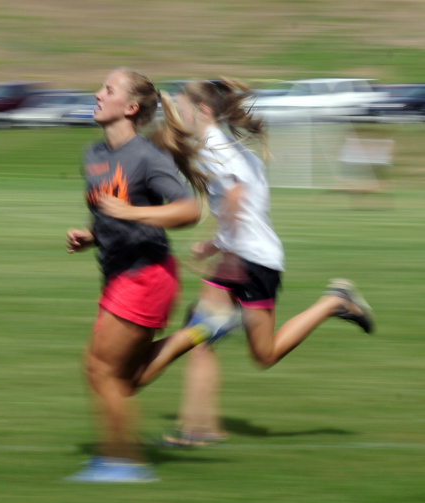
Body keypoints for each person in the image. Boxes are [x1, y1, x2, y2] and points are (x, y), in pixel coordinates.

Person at [130, 79, 374, 445]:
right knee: (199, 333)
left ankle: (334, 302)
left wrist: (225, 250)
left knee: (264, 354)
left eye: (182, 108)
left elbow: (238, 196)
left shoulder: (216, 150)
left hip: (254, 262)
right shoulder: (226, 149)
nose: (177, 115)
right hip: (237, 257)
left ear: (204, 112)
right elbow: (247, 208)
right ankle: (199, 427)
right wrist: (214, 245)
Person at [64, 68, 222, 483]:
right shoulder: (93, 155)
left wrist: (133, 213)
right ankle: (198, 331)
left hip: (147, 275)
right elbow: (109, 215)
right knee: (126, 379)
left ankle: (122, 462)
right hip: (116, 275)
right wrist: (92, 236)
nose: (97, 93)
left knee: (100, 369)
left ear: (130, 108)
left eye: (108, 89)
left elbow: (189, 211)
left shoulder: (148, 158)